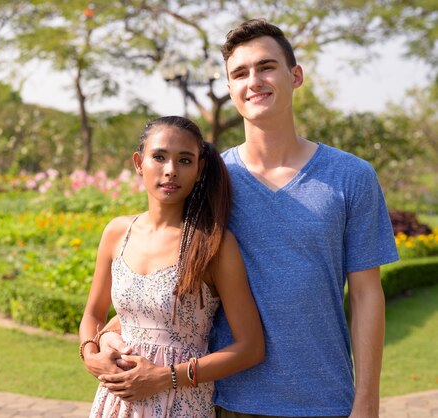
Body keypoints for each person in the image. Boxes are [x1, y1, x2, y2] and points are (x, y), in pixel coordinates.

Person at [93, 19, 399, 418]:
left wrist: (367, 402)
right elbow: (164, 266)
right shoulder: (208, 179)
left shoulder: (351, 177)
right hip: (223, 400)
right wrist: (111, 335)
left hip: (325, 399)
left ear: (295, 75)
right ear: (230, 89)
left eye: (266, 67)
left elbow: (366, 296)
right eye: (239, 73)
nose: (253, 80)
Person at [79, 115, 264, 417]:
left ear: (199, 169)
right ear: (139, 162)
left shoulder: (213, 243)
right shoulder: (117, 232)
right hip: (116, 401)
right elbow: (93, 314)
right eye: (159, 157)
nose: (170, 171)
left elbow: (251, 347)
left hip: (181, 403)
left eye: (185, 161)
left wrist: (165, 377)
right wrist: (90, 354)